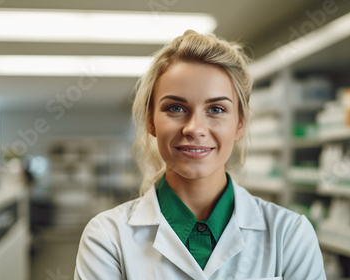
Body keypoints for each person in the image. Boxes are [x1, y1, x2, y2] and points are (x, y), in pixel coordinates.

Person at [74, 30, 326, 280]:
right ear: (151, 121)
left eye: (216, 109)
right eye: (175, 108)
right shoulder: (107, 238)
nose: (194, 128)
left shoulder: (289, 235)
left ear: (240, 124)